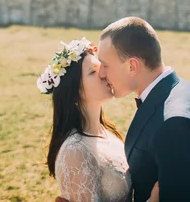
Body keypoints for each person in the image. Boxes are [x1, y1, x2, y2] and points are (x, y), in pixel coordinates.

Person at [97, 17, 190, 202]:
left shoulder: (176, 126)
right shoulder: (183, 89)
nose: (101, 73)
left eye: (105, 65)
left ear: (132, 66)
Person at [38, 38, 132, 202]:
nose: (103, 74)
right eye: (93, 72)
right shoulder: (75, 152)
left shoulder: (109, 133)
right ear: (76, 91)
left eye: (101, 67)